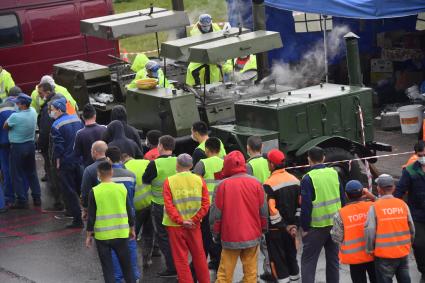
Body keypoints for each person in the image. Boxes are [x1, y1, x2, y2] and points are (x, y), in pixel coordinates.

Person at [210, 150, 268, 283]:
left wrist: (216, 234)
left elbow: (216, 215)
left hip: (230, 236)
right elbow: (263, 210)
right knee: (251, 273)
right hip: (253, 235)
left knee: (224, 275)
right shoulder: (256, 183)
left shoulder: (221, 186)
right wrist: (263, 229)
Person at [300, 146, 345, 283]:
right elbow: (342, 198)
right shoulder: (334, 173)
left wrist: (305, 228)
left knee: (308, 262)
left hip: (316, 227)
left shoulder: (308, 178)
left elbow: (306, 206)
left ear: (309, 159)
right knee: (333, 261)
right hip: (334, 224)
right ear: (324, 158)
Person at [85, 161, 136, 283]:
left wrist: (88, 235)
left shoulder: (94, 191)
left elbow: (91, 216)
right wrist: (132, 228)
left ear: (98, 174)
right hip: (121, 234)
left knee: (107, 269)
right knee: (127, 267)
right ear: (111, 172)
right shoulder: (121, 189)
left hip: (102, 237)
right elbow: (129, 210)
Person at [163, 154, 210, 283]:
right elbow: (206, 204)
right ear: (191, 166)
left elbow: (169, 205)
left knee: (181, 259)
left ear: (177, 165)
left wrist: (181, 220)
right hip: (194, 225)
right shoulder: (199, 180)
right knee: (199, 256)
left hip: (175, 226)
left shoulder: (169, 181)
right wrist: (194, 219)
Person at [365, 174, 415, 283]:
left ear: (379, 189)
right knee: (405, 279)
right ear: (393, 188)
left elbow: (370, 231)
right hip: (402, 252)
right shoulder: (403, 205)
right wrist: (408, 245)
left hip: (383, 255)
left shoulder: (375, 207)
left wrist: (370, 249)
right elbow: (412, 228)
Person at [262, 149, 300, 282]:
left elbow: (271, 210)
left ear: (272, 165)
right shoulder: (295, 180)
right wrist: (294, 226)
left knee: (278, 260)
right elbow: (300, 206)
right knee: (291, 256)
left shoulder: (269, 184)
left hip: (276, 231)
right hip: (292, 230)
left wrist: (284, 226)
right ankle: (295, 278)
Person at [142, 135, 177, 278]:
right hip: (177, 205)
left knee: (163, 236)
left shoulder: (154, 164)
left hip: (160, 205)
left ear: (160, 146)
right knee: (177, 236)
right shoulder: (178, 161)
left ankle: (171, 267)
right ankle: (180, 262)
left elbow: (145, 180)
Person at [105, 146, 140, 283]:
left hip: (111, 217)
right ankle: (134, 276)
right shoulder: (131, 175)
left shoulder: (104, 177)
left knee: (114, 248)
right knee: (130, 245)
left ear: (108, 159)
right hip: (129, 214)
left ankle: (118, 278)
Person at [331, 180, 377, 283]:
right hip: (374, 254)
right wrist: (373, 197)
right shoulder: (373, 207)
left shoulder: (341, 214)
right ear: (363, 193)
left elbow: (336, 237)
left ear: (346, 195)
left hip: (354, 259)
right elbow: (385, 205)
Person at [50, 98, 84, 228]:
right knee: (81, 189)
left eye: (52, 110)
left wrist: (57, 161)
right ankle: (89, 213)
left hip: (66, 162)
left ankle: (77, 219)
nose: (51, 112)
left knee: (69, 191)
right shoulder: (76, 119)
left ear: (59, 110)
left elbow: (58, 147)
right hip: (78, 160)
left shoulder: (56, 125)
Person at [3, 93, 41, 209]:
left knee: (17, 174)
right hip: (30, 145)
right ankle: (37, 197)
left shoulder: (15, 116)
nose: (17, 105)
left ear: (23, 105)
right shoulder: (33, 111)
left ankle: (22, 200)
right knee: (32, 172)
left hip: (18, 147)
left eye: (18, 103)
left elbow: (5, 126)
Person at [192, 137, 224, 272]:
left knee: (206, 235)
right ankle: (217, 261)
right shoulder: (225, 162)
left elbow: (194, 184)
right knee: (219, 235)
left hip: (207, 206)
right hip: (222, 206)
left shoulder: (202, 164)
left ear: (207, 149)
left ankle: (200, 265)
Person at [395, 141, 425, 282]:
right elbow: (399, 191)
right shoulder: (410, 170)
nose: (422, 157)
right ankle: (424, 270)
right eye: (420, 155)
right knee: (419, 245)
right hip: (418, 215)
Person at [37, 82, 66, 210]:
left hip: (52, 147)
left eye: (41, 93)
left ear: (48, 92)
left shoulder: (49, 108)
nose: (39, 96)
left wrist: (40, 145)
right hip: (66, 146)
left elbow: (45, 131)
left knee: (54, 173)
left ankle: (59, 202)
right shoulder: (63, 102)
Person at [122, 153, 154, 269]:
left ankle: (131, 261)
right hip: (151, 203)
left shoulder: (124, 169)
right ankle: (147, 258)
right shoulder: (147, 163)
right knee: (148, 233)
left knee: (132, 234)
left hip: (136, 207)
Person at [0, 86, 20, 208]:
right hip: (18, 143)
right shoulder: (20, 106)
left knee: (6, 170)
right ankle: (22, 195)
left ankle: (9, 197)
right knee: (20, 169)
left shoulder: (2, 107)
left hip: (3, 144)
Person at [81, 141, 108, 219]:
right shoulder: (115, 166)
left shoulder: (89, 170)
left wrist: (85, 208)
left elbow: (85, 192)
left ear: (95, 152)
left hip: (97, 211)